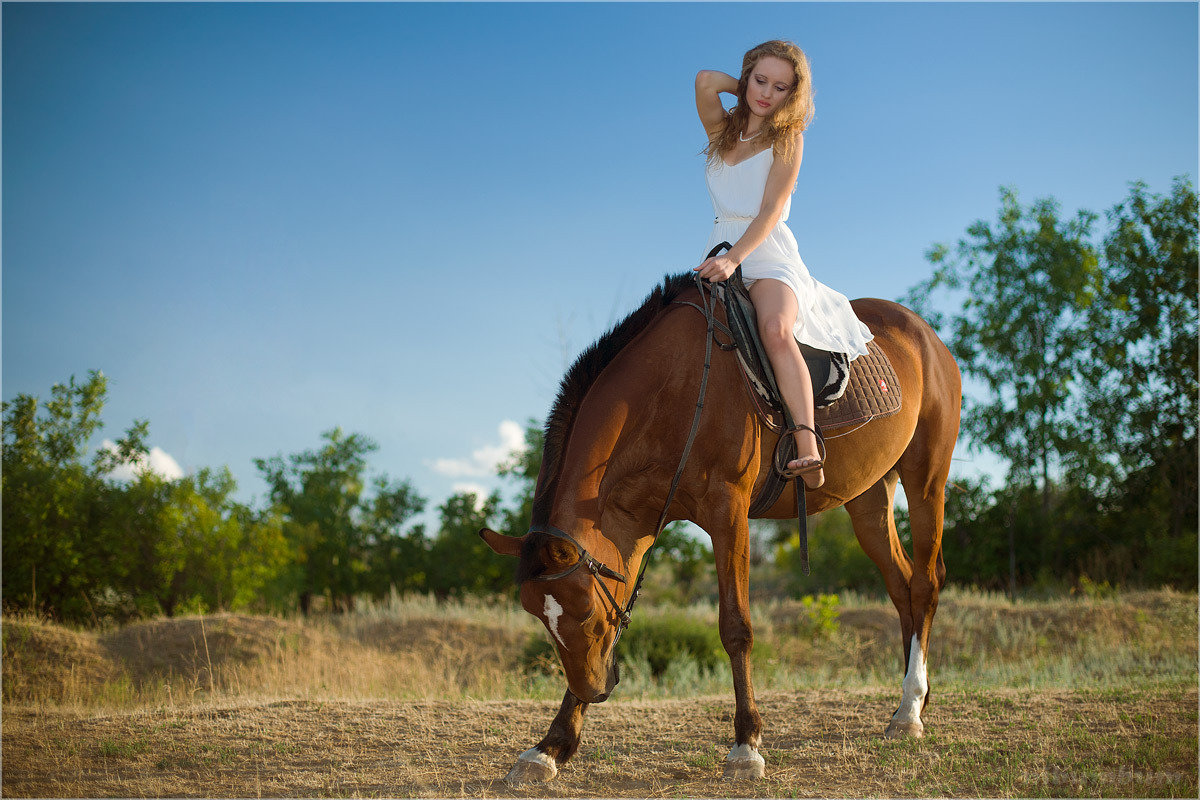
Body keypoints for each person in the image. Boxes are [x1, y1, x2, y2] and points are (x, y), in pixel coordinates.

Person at [693, 39, 873, 490]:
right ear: (747, 75)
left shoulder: (788, 139)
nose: (765, 94)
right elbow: (704, 81)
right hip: (719, 248)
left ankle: (807, 441)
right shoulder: (723, 134)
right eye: (759, 81)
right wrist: (747, 90)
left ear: (793, 95)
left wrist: (737, 258)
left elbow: (771, 209)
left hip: (766, 254)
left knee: (775, 329)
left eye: (780, 88)